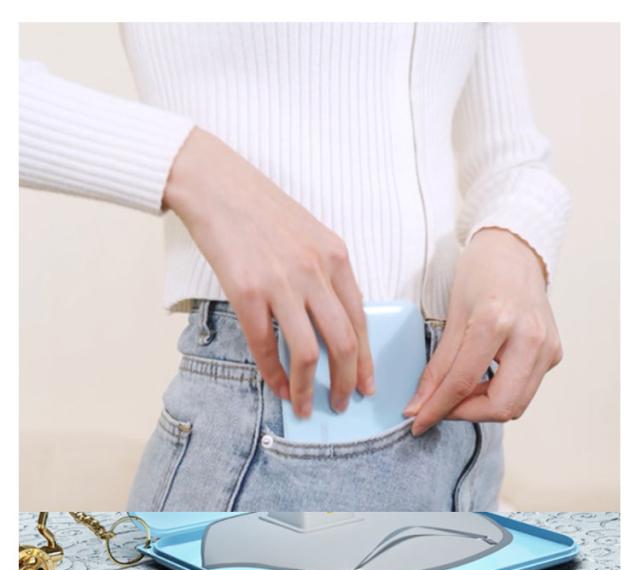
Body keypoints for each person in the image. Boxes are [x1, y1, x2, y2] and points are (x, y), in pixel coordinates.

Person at [20, 22, 570, 513]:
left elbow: (511, 157)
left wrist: (514, 237)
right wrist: (196, 170)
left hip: (469, 448)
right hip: (283, 413)